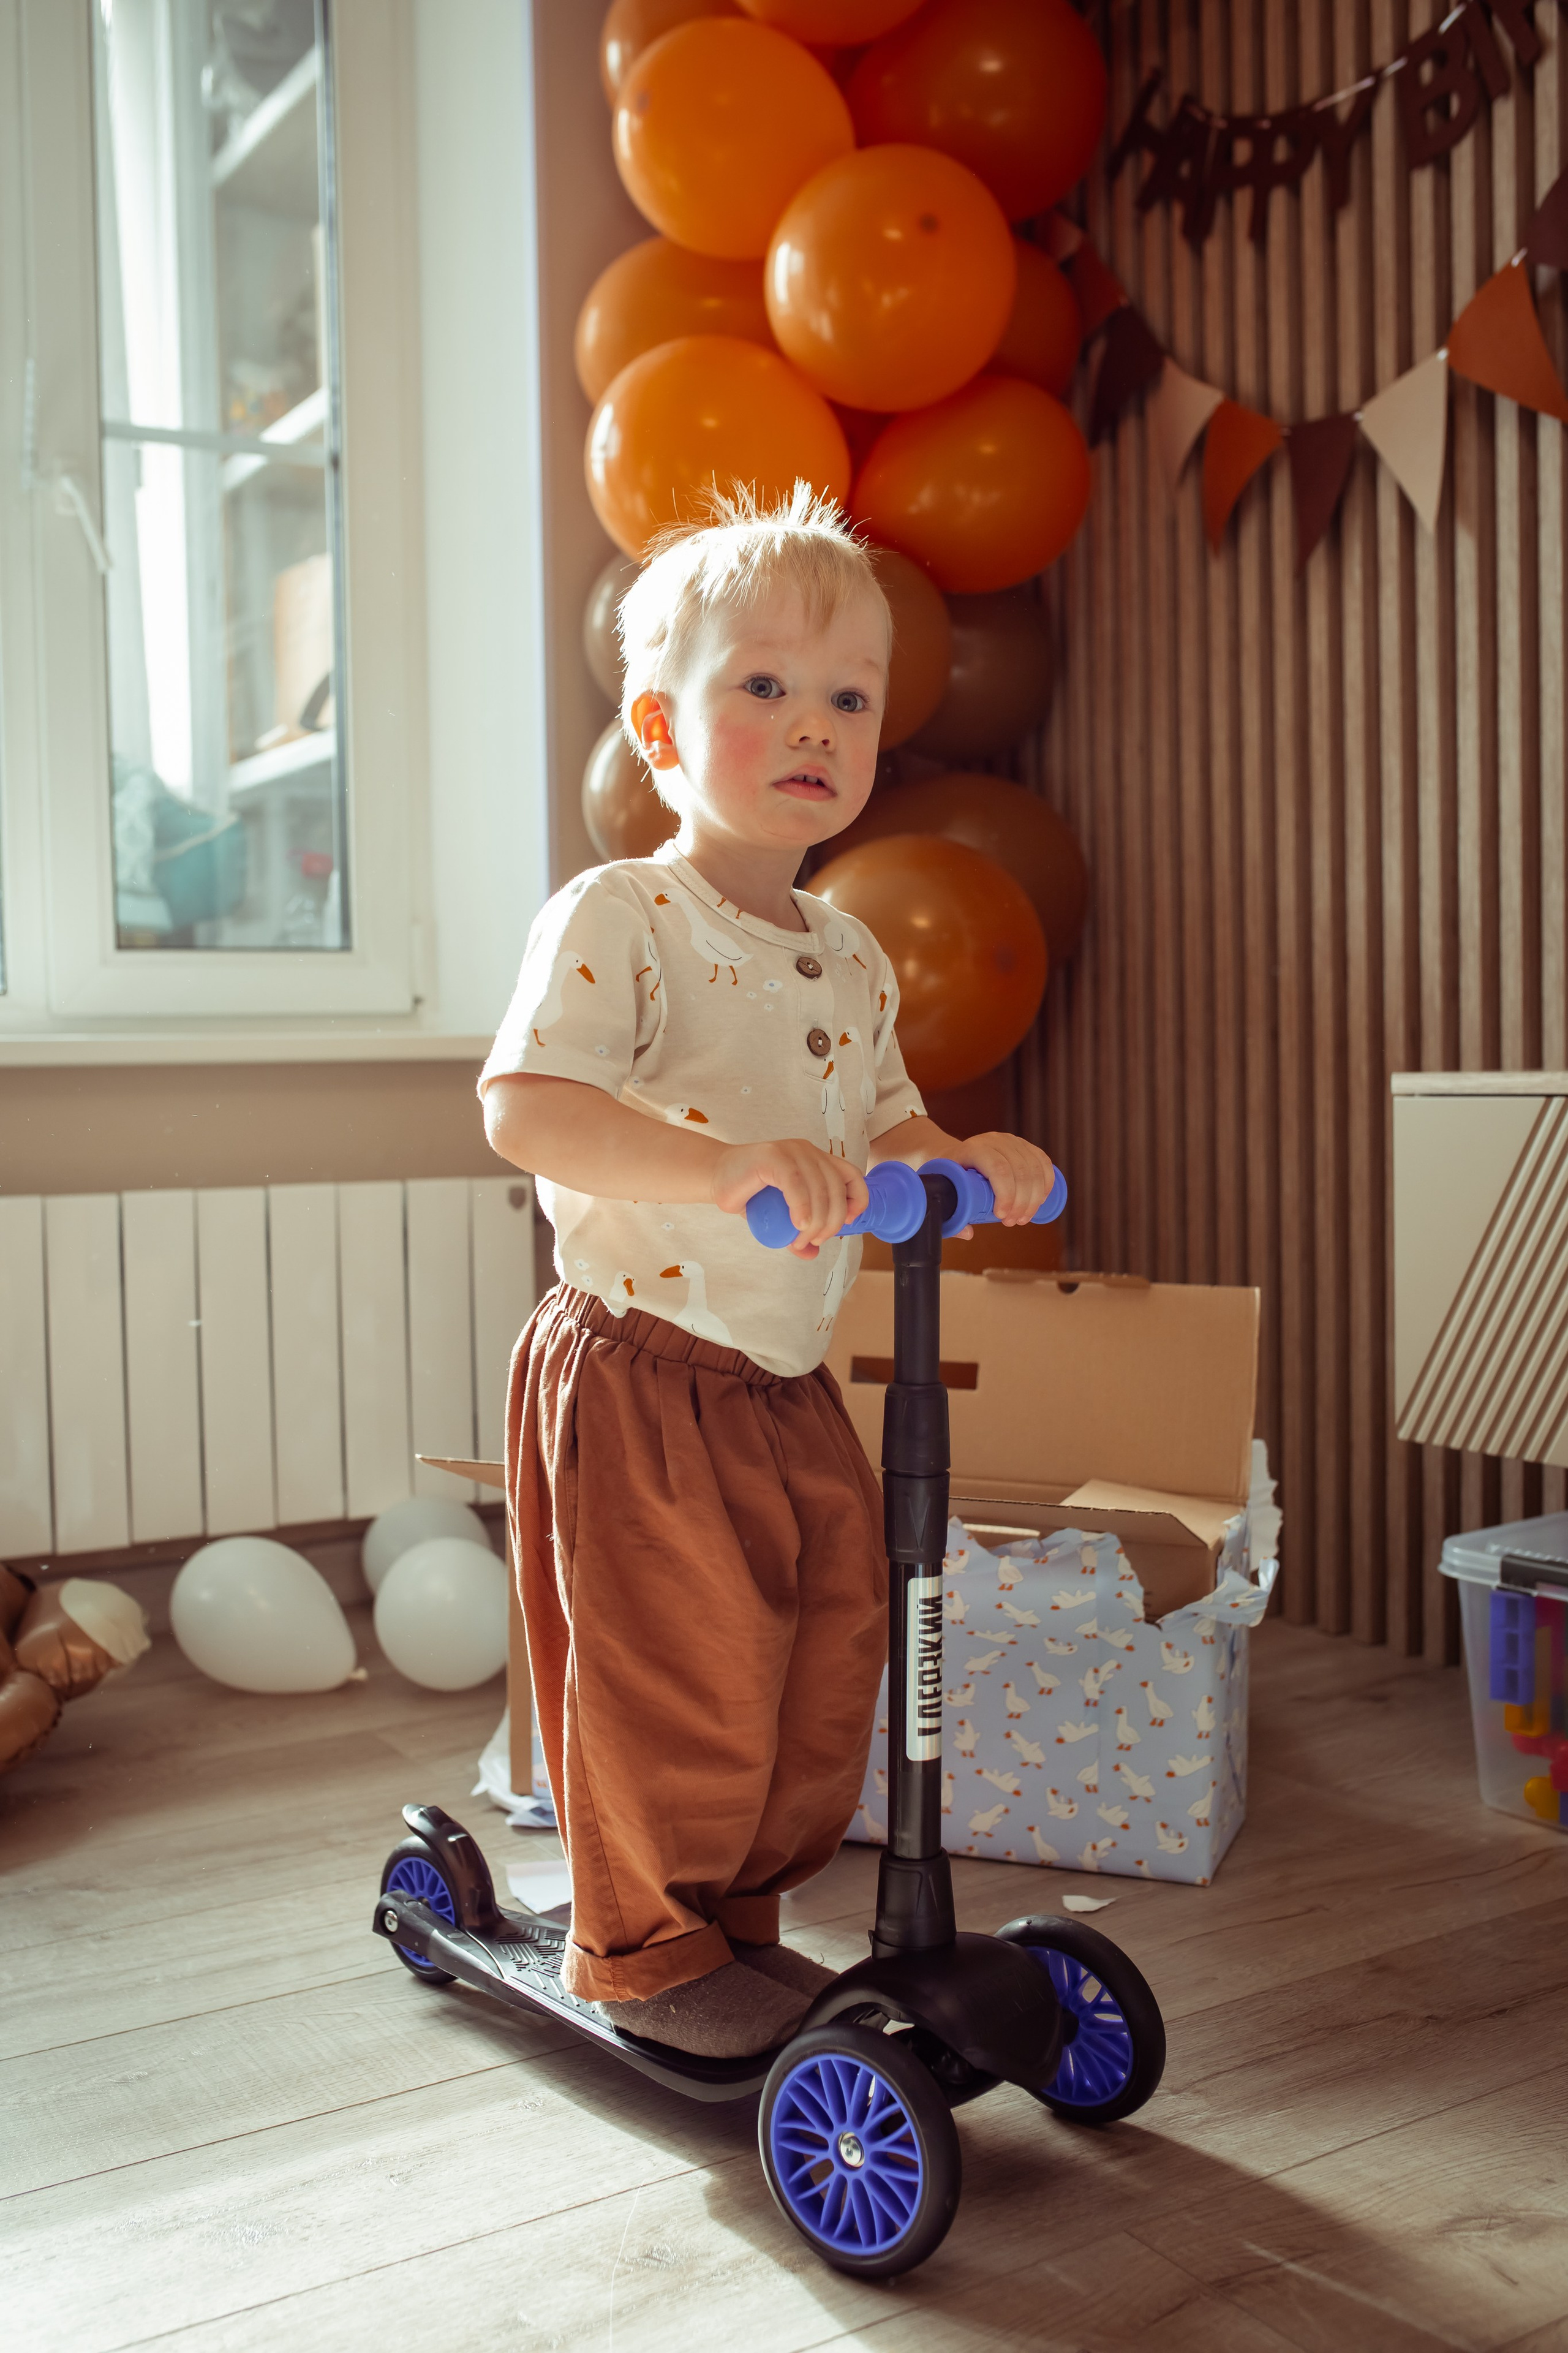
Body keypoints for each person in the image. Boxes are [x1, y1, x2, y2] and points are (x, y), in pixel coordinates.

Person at [481, 485, 1056, 2057]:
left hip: (786, 1371)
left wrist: (959, 1154)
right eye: (764, 686)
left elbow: (880, 1118)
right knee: (680, 1670)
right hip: (644, 1362)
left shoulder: (847, 949)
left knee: (821, 1656)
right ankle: (646, 1945)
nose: (812, 723)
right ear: (660, 730)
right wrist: (727, 1168)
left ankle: (740, 1915)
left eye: (849, 699)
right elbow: (524, 1105)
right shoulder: (625, 915)